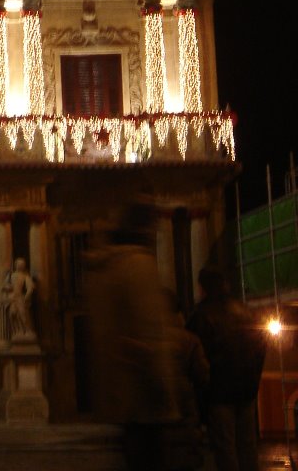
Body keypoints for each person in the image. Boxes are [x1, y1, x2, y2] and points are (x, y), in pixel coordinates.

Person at [85, 197, 177, 471]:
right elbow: (151, 332)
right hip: (145, 391)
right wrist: (165, 387)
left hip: (119, 392)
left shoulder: (102, 267)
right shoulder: (138, 264)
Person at [186, 266, 267, 471]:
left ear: (202, 287)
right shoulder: (246, 312)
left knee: (225, 448)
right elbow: (261, 348)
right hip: (247, 390)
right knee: (248, 446)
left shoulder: (201, 316)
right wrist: (254, 380)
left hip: (218, 392)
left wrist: (203, 388)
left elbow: (198, 357)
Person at [162, 289, 210, 471]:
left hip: (158, 407)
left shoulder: (148, 338)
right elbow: (202, 374)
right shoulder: (189, 339)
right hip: (184, 402)